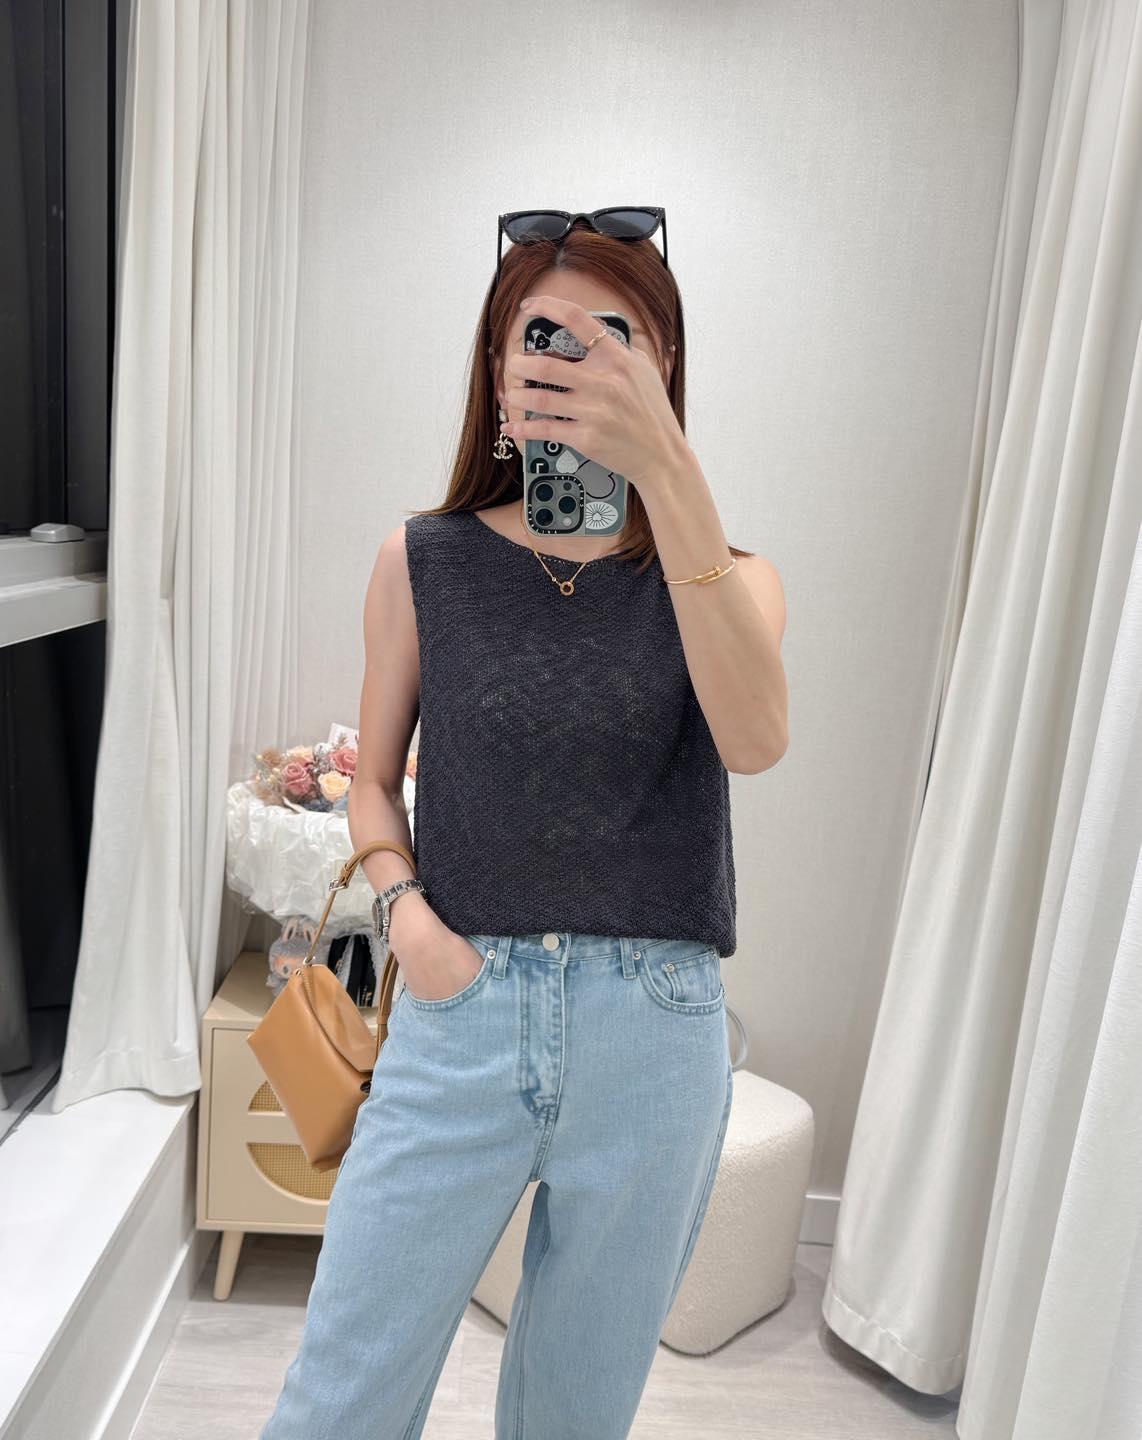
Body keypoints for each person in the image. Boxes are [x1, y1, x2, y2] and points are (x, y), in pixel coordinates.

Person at [261, 209, 788, 1440]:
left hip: (652, 1034)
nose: (582, 361)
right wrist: (410, 919)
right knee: (337, 1402)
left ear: (663, 366)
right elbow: (373, 783)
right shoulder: (421, 560)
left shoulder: (732, 579)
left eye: (620, 336)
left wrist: (669, 476)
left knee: (571, 1418)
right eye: (547, 337)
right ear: (499, 372)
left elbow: (755, 740)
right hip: (460, 1011)